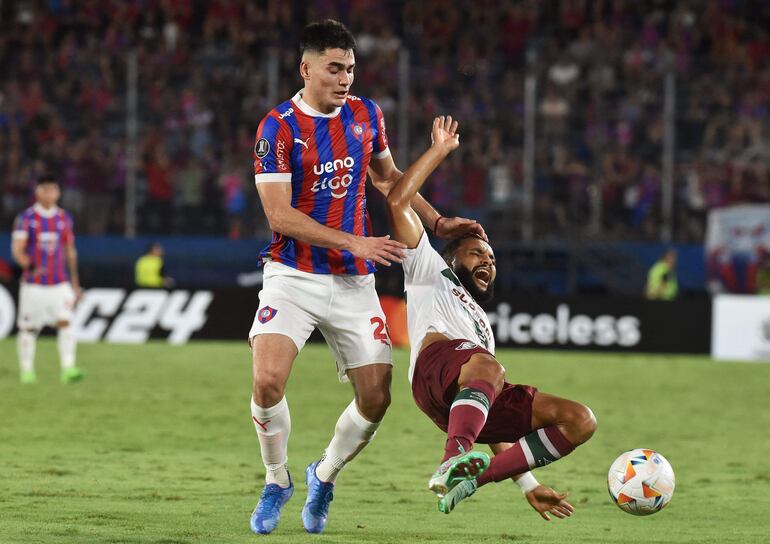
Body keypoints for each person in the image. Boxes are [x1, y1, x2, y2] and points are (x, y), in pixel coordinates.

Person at [248, 20, 485, 535]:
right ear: (306, 68)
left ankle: (324, 474)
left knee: (376, 398)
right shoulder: (278, 128)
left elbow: (387, 178)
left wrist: (438, 221)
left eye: (350, 69)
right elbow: (279, 216)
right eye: (334, 69)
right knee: (267, 381)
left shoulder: (365, 114)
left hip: (355, 281)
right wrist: (355, 240)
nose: (345, 78)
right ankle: (276, 480)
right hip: (293, 273)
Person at [385, 116, 597, 516]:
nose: (488, 261)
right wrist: (441, 150)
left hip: (464, 385)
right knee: (487, 366)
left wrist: (527, 484)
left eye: (493, 258)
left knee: (580, 420)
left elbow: (482, 406)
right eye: (478, 253)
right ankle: (453, 458)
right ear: (452, 256)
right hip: (434, 373)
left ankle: (469, 479)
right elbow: (397, 198)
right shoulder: (428, 268)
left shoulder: (482, 329)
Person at [11, 173, 84, 384]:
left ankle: (68, 368)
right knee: (29, 328)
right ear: (38, 192)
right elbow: (17, 250)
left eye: (54, 189)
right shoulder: (26, 219)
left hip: (59, 283)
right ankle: (27, 371)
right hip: (34, 285)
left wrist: (75, 282)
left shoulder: (64, 218)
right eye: (46, 189)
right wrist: (31, 266)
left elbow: (70, 251)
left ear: (59, 192)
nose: (50, 193)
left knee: (66, 323)